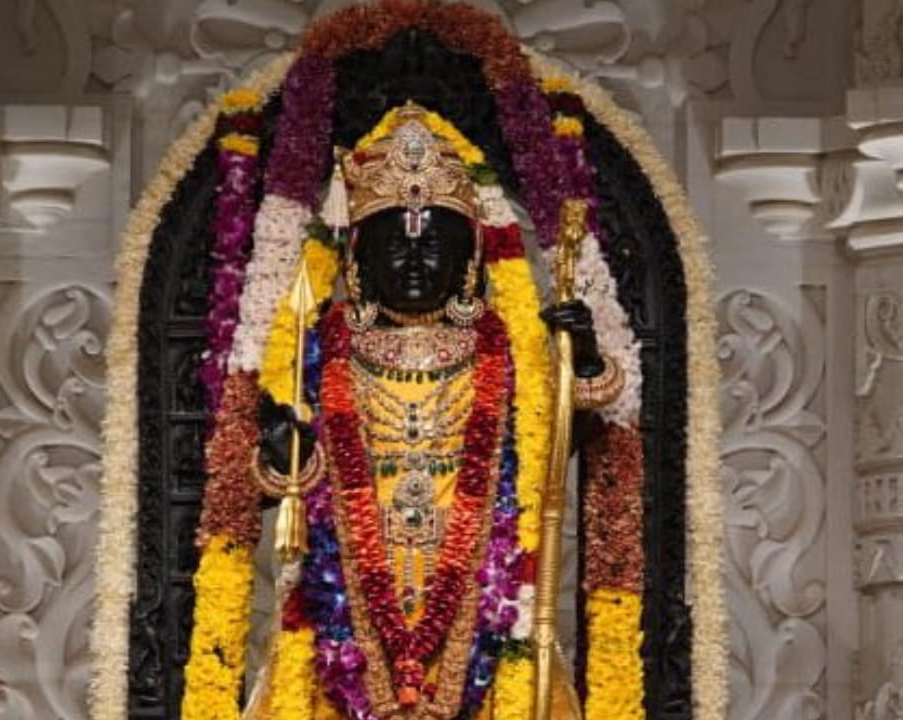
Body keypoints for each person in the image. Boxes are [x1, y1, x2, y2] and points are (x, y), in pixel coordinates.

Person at [246, 103, 624, 720]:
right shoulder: (318, 350)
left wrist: (577, 361)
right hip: (344, 595)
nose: (415, 261)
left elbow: (550, 451)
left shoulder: (505, 348)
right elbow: (277, 483)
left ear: (468, 262)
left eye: (433, 246)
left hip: (483, 590)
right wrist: (284, 449)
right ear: (359, 261)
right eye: (395, 247)